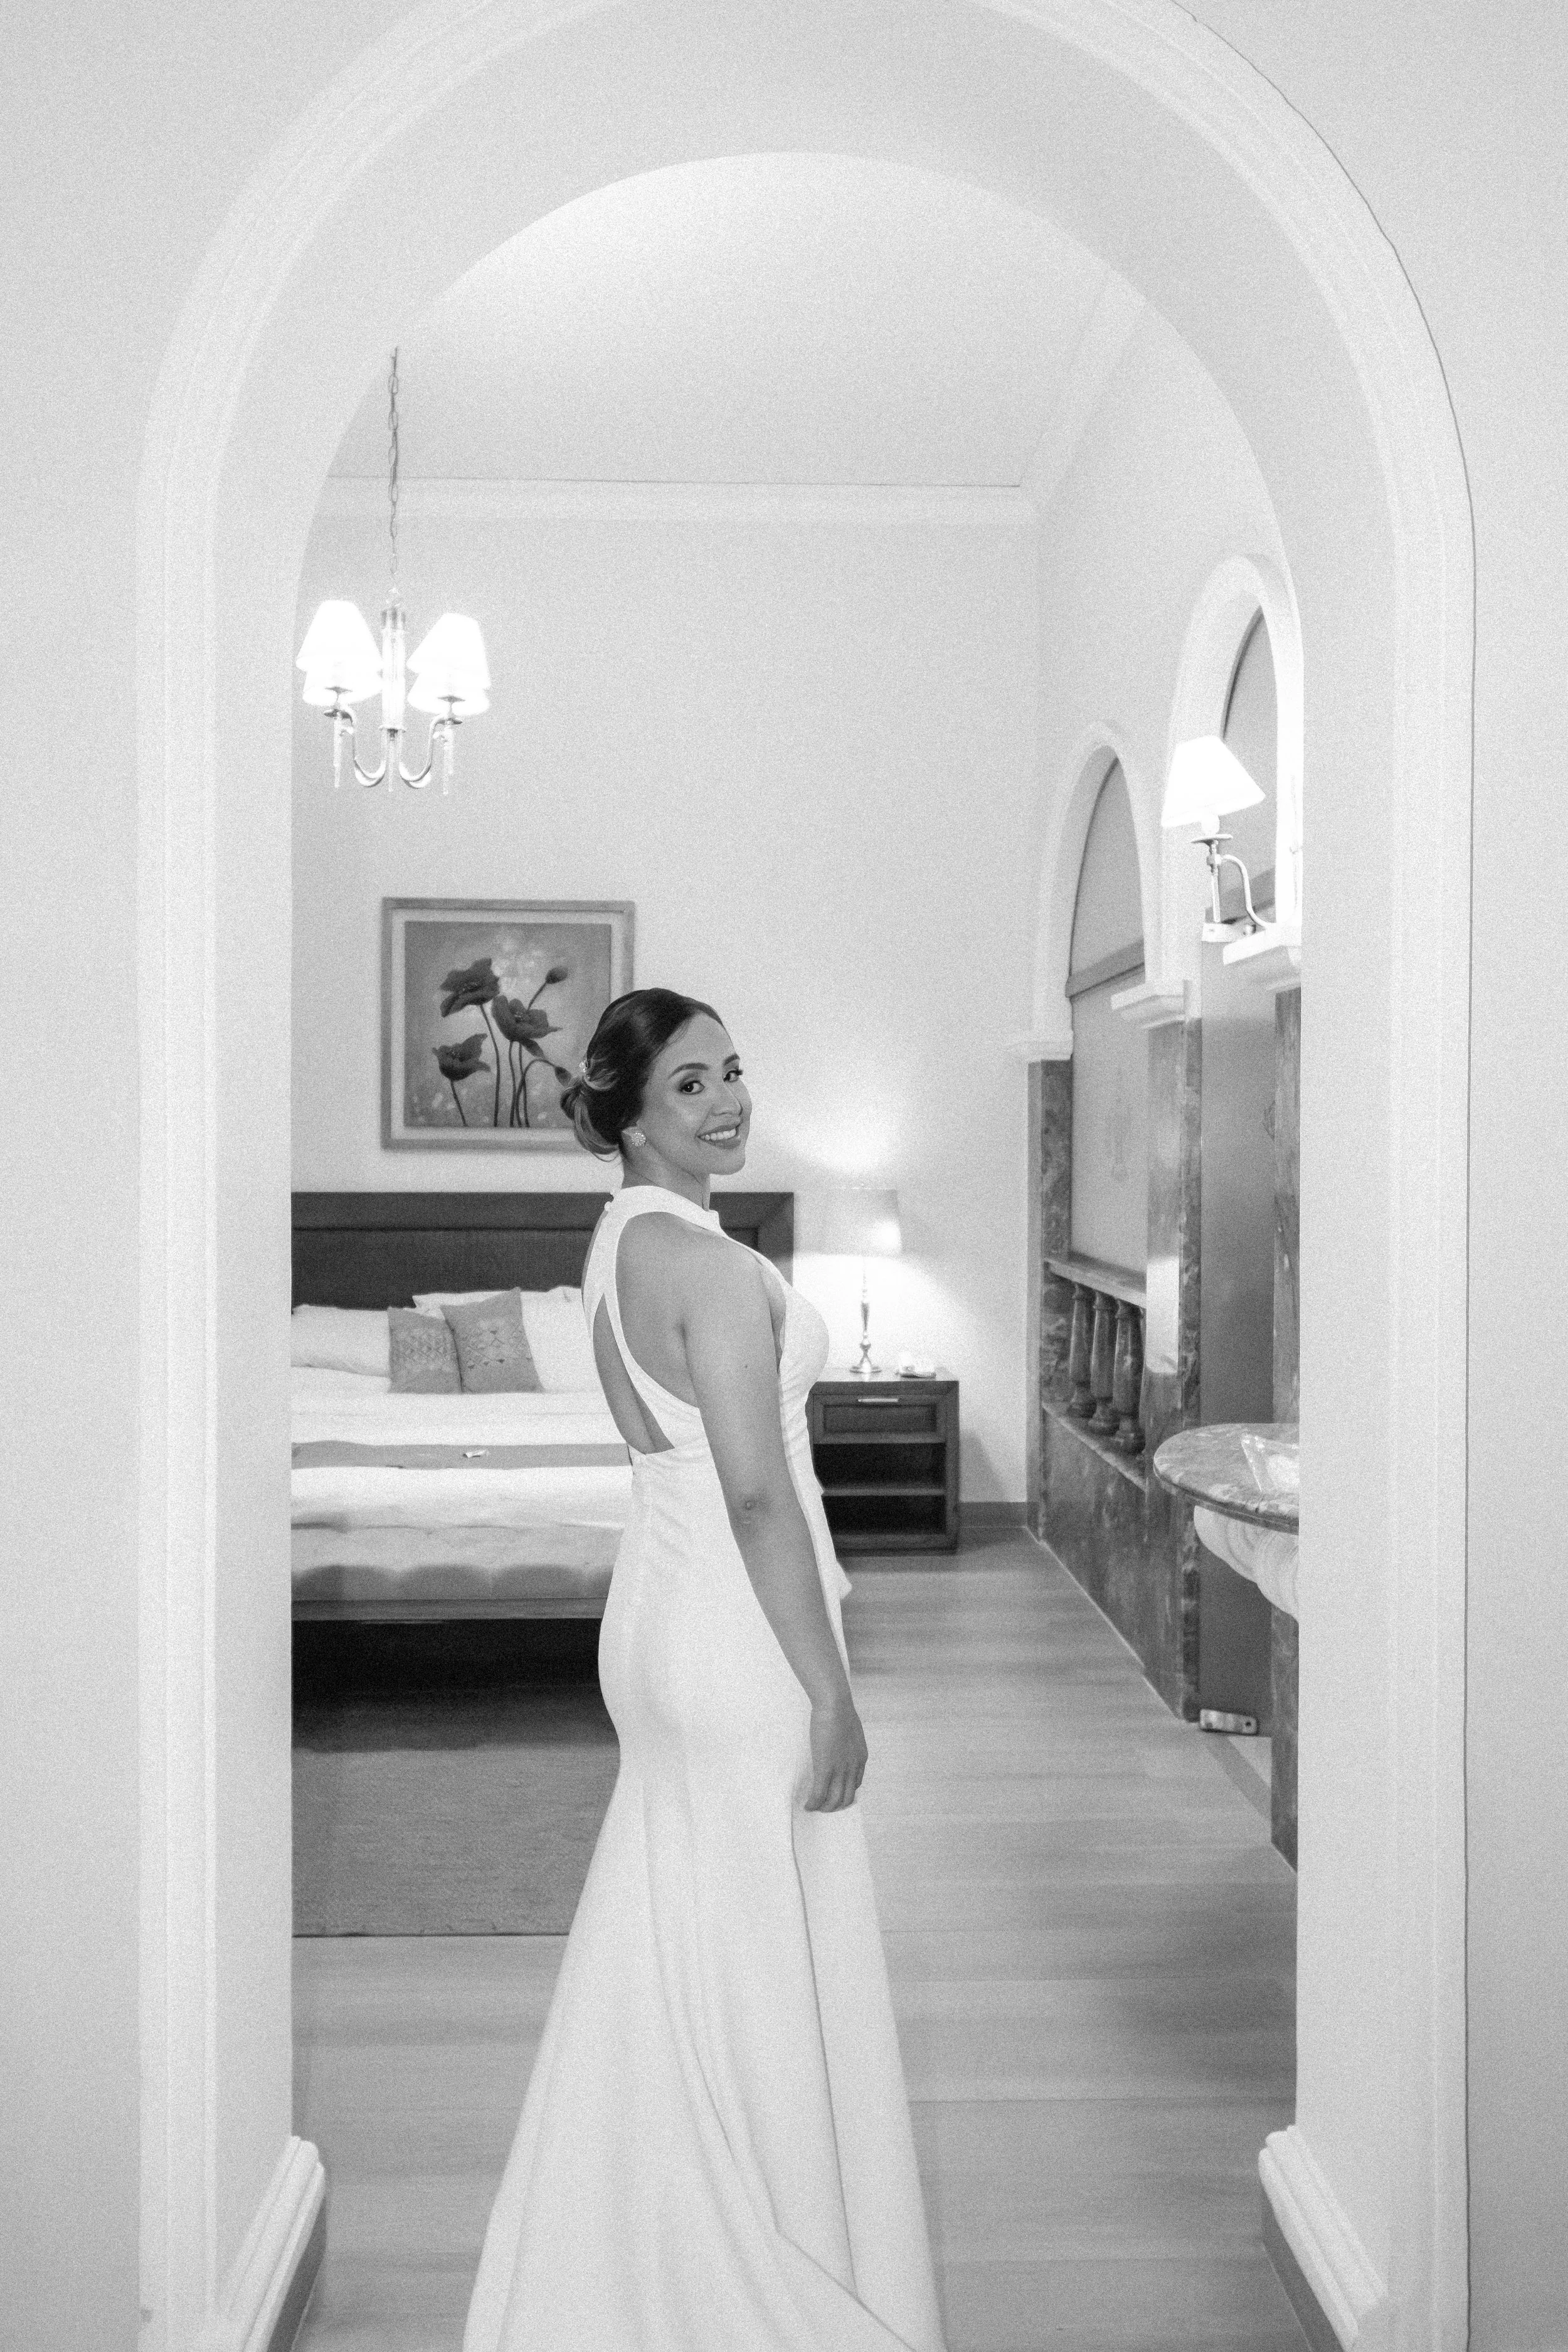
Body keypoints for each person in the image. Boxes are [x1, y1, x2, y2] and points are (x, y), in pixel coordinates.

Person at [463, 987, 946, 2352]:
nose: (729, 1100)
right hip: (735, 1638)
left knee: (669, 1936)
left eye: (732, 1072)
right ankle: (765, 2268)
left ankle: (620, 2253)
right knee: (757, 1945)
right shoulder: (709, 1268)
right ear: (624, 1113)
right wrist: (833, 1694)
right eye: (689, 1085)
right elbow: (754, 1498)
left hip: (653, 1626)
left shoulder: (616, 1245)